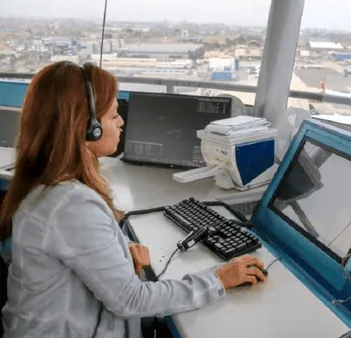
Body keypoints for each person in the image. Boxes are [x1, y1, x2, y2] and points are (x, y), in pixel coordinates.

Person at [0, 61, 267, 338]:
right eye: (114, 114)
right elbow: (132, 299)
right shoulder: (70, 205)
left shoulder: (46, 180)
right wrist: (218, 279)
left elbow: (73, 244)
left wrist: (119, 247)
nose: (121, 122)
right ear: (87, 126)